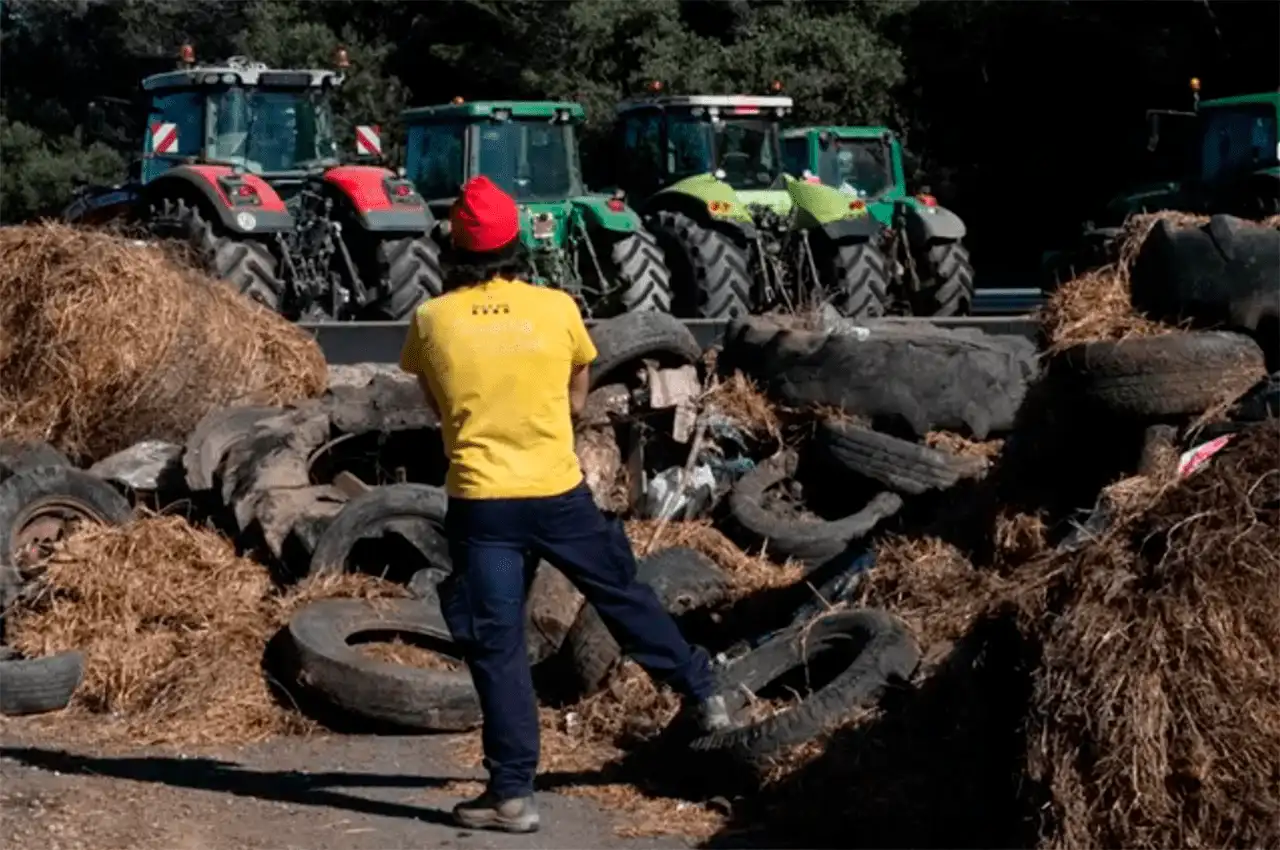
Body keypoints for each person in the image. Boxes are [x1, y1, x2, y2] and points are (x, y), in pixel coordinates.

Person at [399, 176, 733, 835]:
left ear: (456, 251)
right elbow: (578, 397)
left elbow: (433, 404)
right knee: (622, 594)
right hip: (557, 492)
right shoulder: (557, 308)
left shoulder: (431, 320)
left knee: (498, 646)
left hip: (483, 502)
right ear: (516, 245)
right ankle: (705, 692)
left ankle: (512, 795)